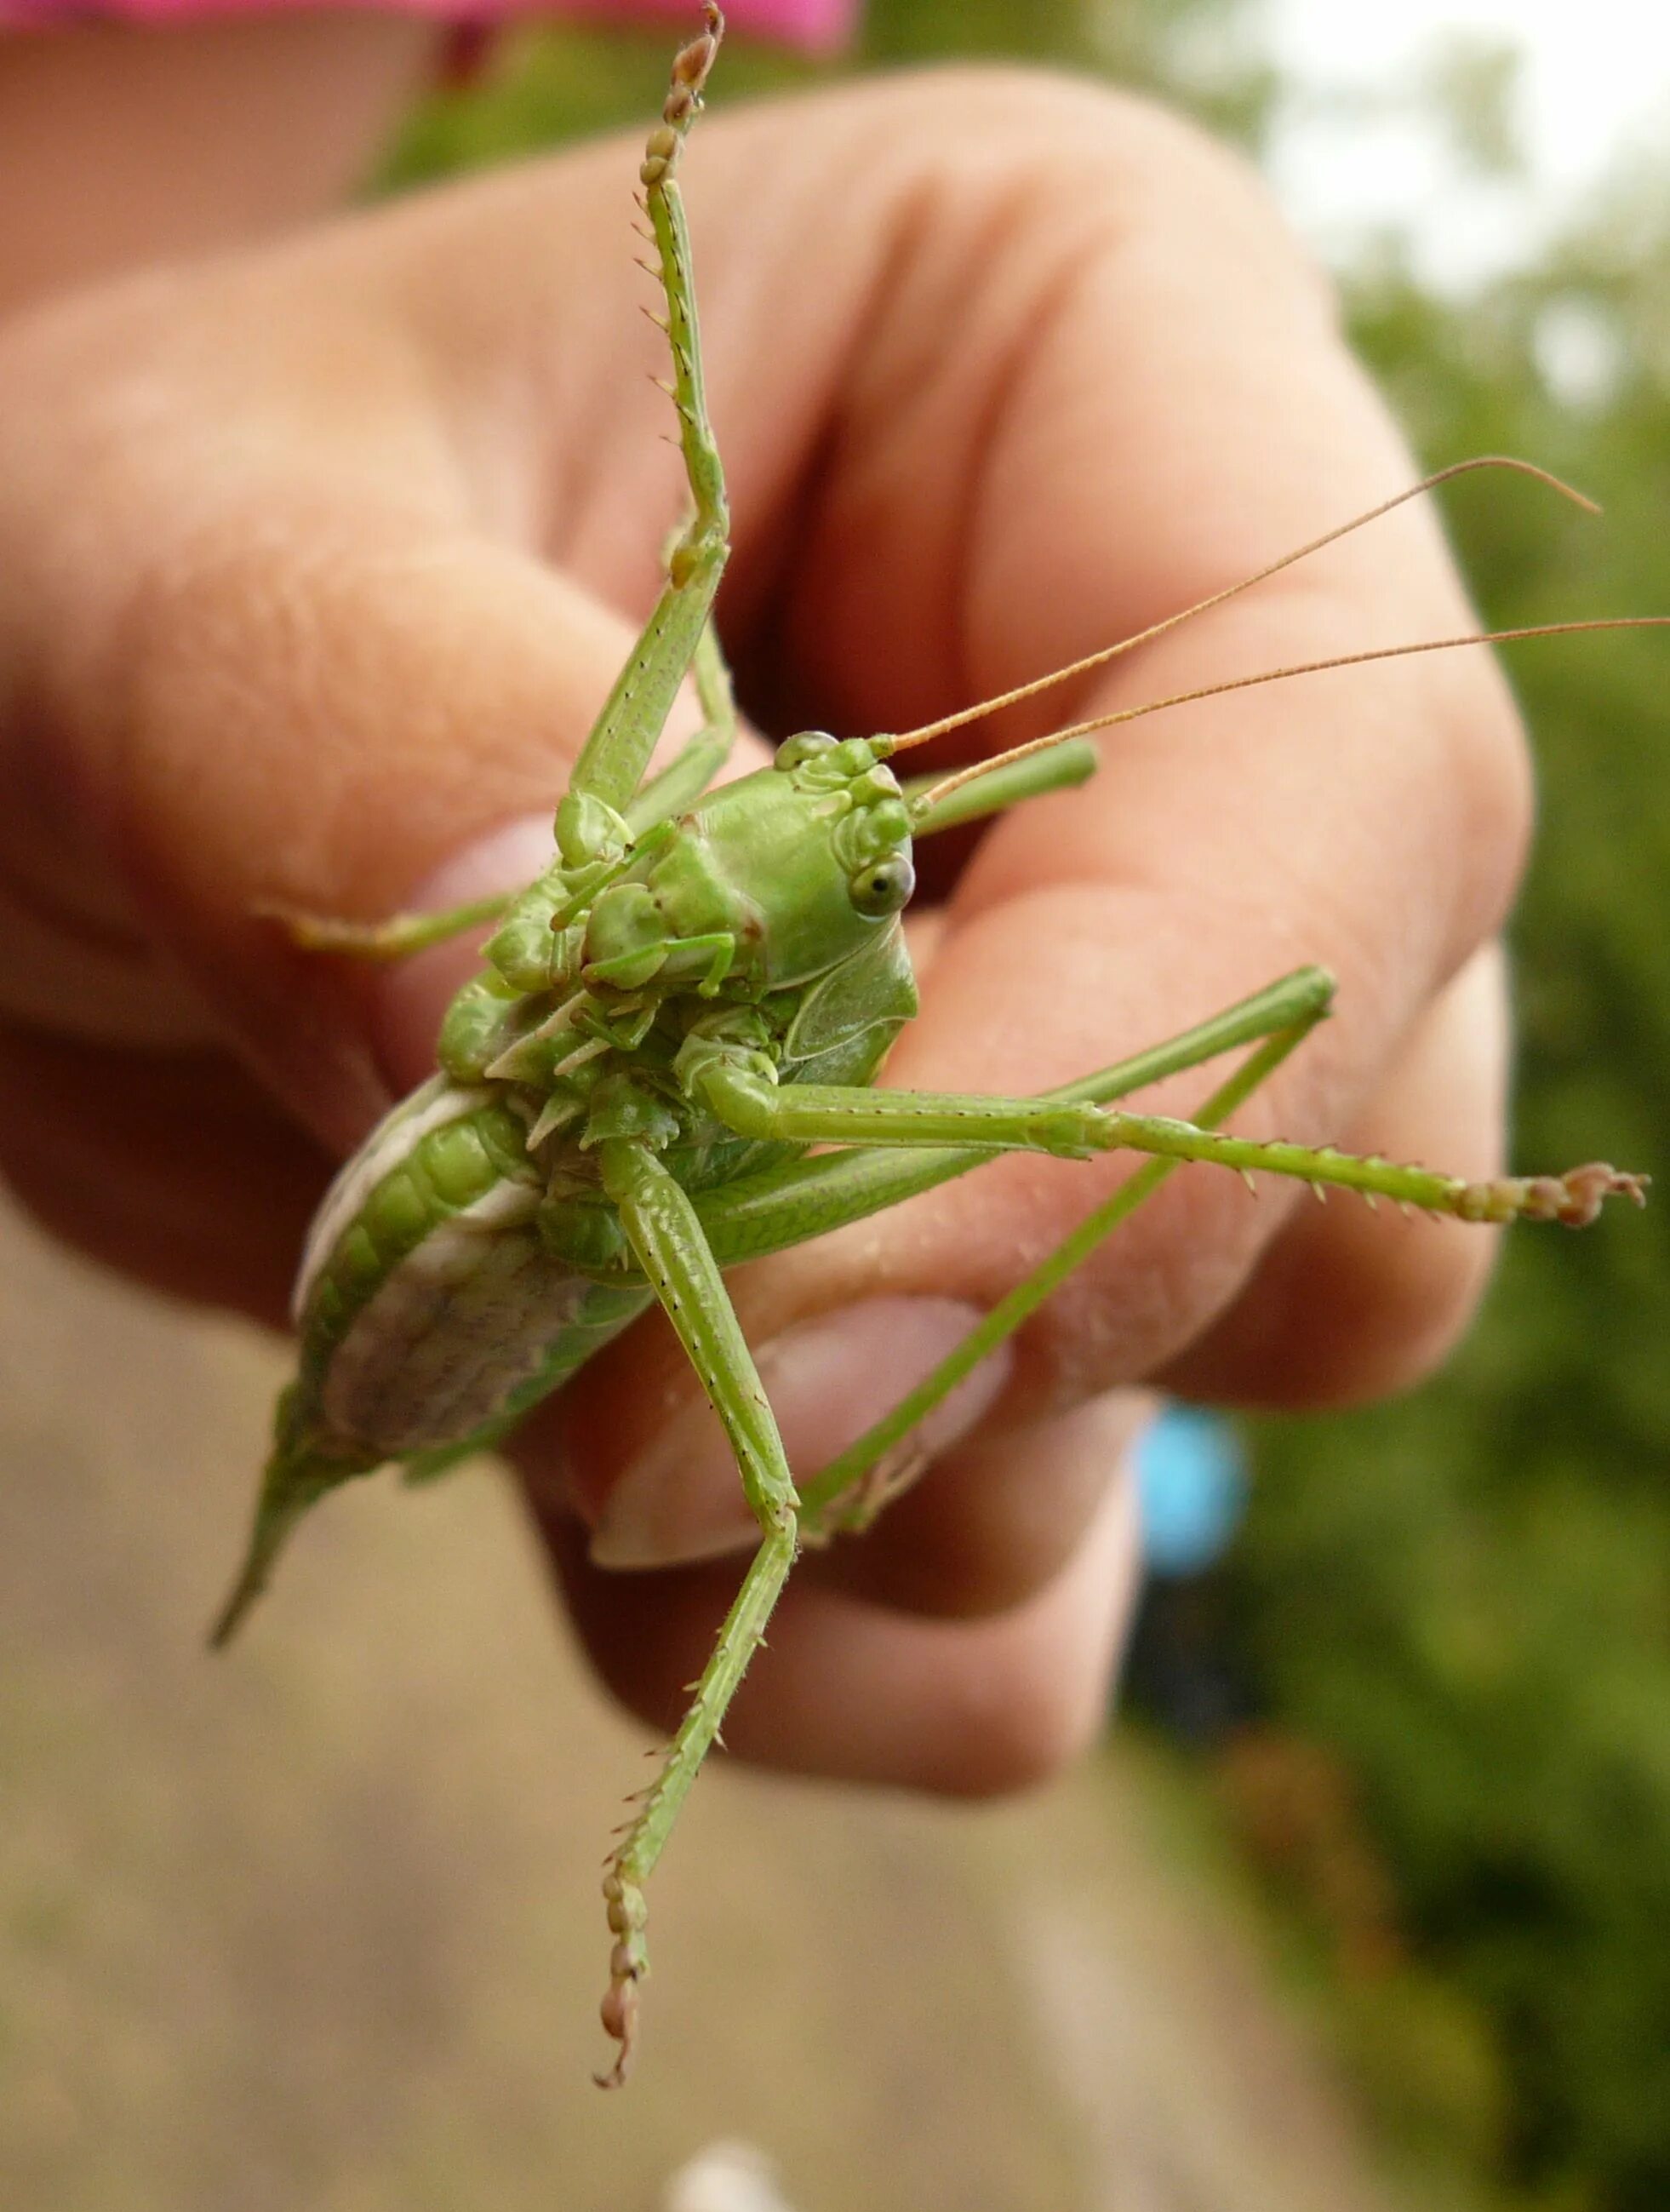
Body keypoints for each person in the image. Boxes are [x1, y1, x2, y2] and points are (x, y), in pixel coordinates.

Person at [0, 9, 1528, 1797]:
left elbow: (1033, 1109)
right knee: (708, 595)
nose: (836, 787)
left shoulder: (751, 1049)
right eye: (829, 763)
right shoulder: (603, 837)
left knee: (1040, 1152)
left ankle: (640, 1838)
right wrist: (671, 209)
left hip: (598, 1200)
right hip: (442, 1175)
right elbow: (696, 547)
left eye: (862, 833)